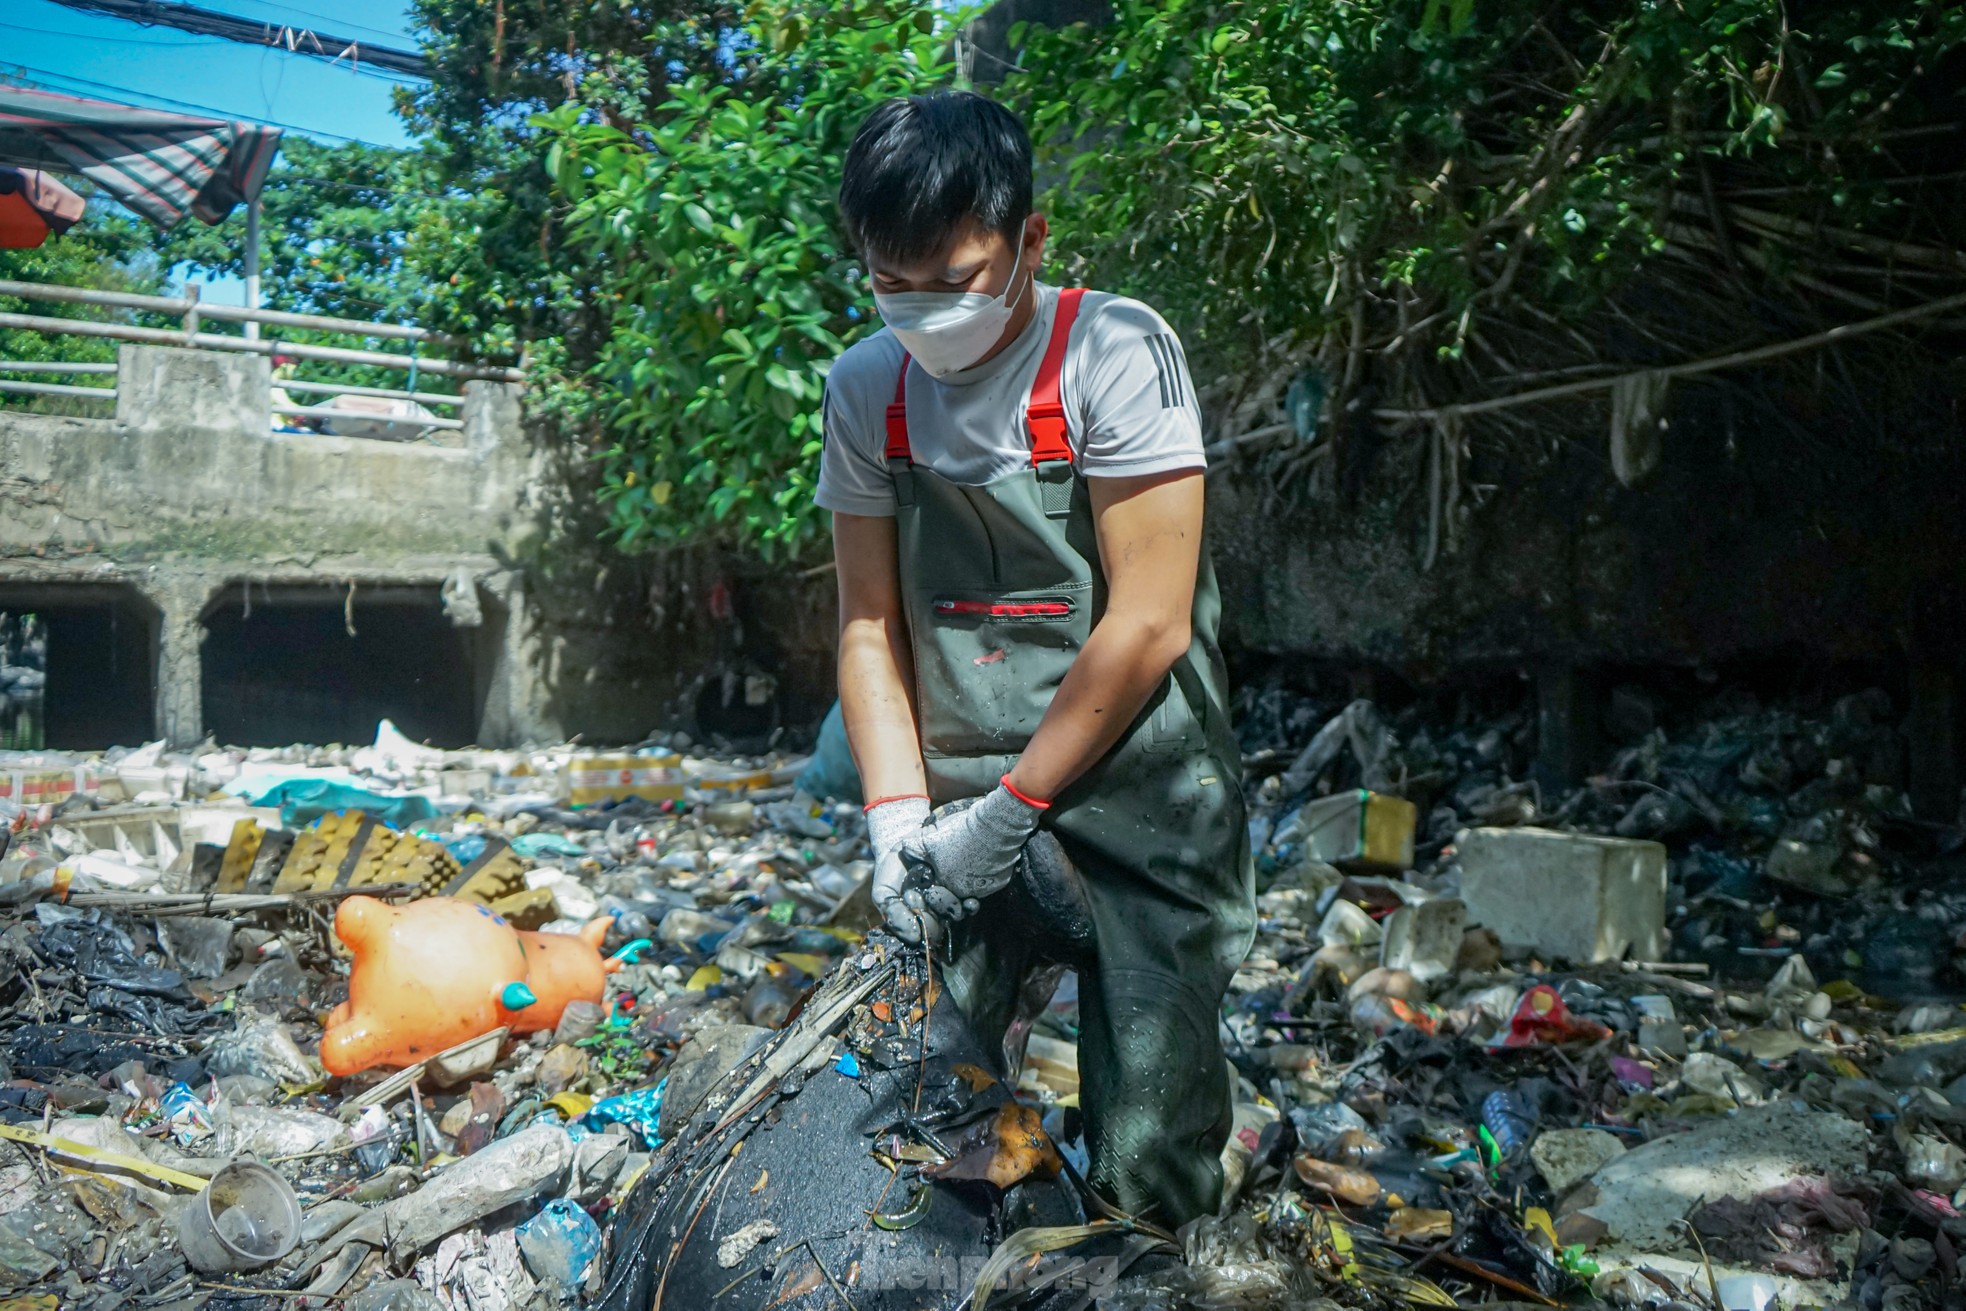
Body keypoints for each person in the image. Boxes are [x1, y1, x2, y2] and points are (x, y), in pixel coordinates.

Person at [816, 90, 1256, 1228]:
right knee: (910, 1114)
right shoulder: (868, 390)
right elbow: (870, 625)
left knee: (1147, 1154)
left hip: (1140, 797)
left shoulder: (1115, 348)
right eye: (890, 281)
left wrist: (1017, 809)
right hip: (959, 805)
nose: (923, 310)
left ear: (1029, 243)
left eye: (955, 279)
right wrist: (897, 819)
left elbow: (1149, 619)